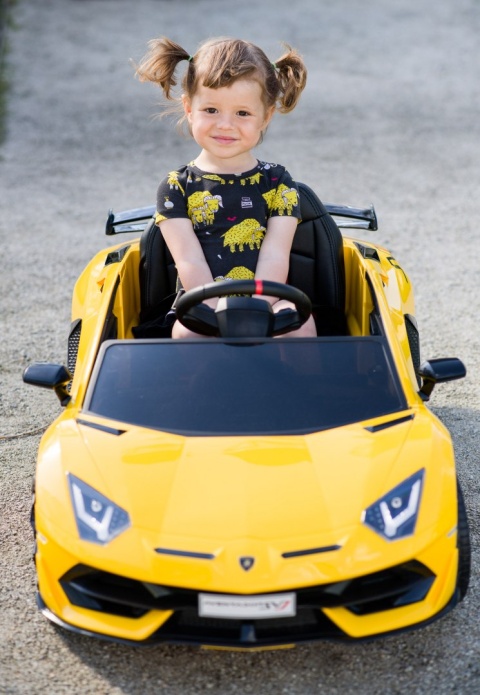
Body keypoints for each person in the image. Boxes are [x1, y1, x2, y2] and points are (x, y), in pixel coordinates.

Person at [136, 36, 317, 338]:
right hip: (201, 302)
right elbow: (189, 260)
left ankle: (297, 371)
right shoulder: (176, 187)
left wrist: (258, 307)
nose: (225, 125)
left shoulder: (278, 182)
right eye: (211, 110)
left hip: (268, 297)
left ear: (266, 116)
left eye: (242, 113)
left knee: (301, 323)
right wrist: (216, 310)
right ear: (189, 108)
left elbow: (275, 254)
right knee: (186, 333)